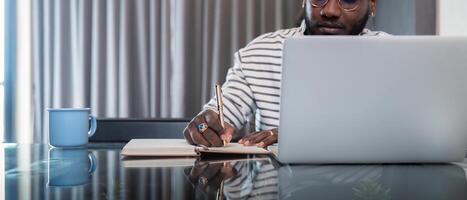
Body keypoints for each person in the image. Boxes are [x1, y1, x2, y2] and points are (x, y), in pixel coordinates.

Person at [183, 0, 389, 148]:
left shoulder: (391, 55)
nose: (331, 10)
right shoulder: (262, 51)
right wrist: (209, 125)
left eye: (348, 0)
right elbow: (226, 111)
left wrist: (297, 136)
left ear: (372, 5)